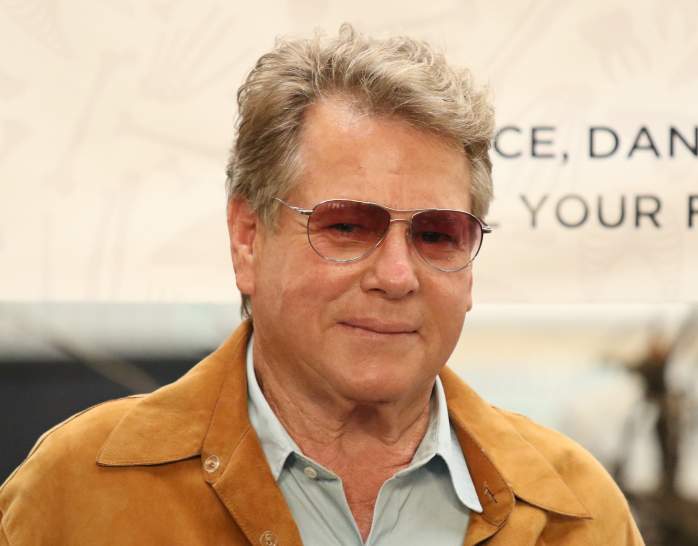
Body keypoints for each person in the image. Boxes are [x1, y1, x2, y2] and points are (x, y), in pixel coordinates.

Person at [0, 25, 644, 546]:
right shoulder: (76, 493)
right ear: (247, 238)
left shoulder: (577, 513)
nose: (397, 276)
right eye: (347, 226)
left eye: (437, 234)